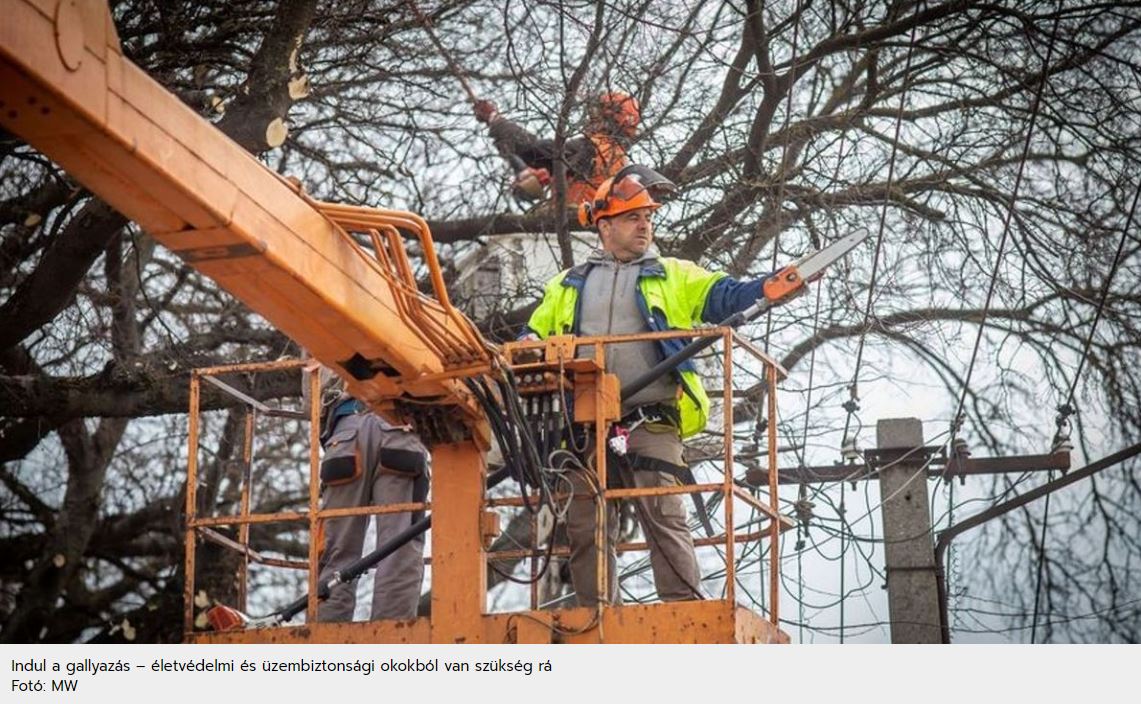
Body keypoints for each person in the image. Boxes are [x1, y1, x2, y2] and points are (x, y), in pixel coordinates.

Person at [521, 164, 773, 607]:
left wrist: (769, 287)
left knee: (664, 513)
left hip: (650, 420)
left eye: (649, 217)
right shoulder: (569, 283)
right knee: (584, 525)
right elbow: (535, 335)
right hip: (584, 427)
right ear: (605, 225)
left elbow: (725, 295)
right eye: (634, 217)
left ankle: (683, 611)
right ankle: (595, 615)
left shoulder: (671, 274)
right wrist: (526, 344)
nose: (645, 226)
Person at [304, 362, 430, 622]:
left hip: (345, 435)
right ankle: (392, 636)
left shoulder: (319, 330)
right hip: (399, 427)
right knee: (400, 544)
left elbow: (312, 405)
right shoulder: (428, 321)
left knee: (336, 548)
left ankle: (325, 635)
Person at [473, 91, 639, 205]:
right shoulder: (618, 159)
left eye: (596, 113)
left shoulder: (592, 147)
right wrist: (545, 174)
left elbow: (533, 149)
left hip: (573, 228)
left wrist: (495, 119)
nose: (590, 118)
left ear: (609, 117)